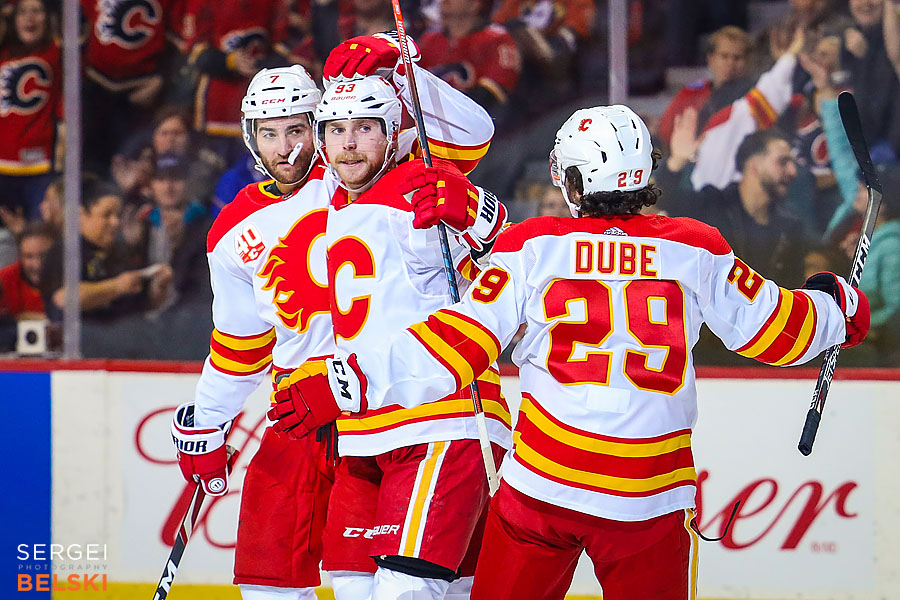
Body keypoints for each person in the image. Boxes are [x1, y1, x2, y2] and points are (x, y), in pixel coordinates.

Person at [271, 105, 871, 600]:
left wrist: (346, 380)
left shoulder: (532, 246)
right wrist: (837, 310)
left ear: (574, 180)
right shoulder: (696, 247)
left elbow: (454, 343)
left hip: (543, 493)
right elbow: (775, 334)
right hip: (650, 497)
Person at [269, 66, 511, 597]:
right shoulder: (335, 199)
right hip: (364, 428)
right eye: (335, 129)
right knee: (356, 587)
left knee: (407, 592)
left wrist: (479, 215)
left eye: (365, 128)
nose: (349, 144)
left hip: (438, 424)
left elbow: (513, 264)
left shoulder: (414, 191)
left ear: (395, 133)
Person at [659, 126, 806, 286]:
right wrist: (677, 161)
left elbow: (793, 290)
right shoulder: (712, 204)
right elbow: (664, 199)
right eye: (783, 161)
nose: (793, 171)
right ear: (754, 164)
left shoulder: (791, 227)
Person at [38, 177, 172, 323]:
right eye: (106, 215)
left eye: (118, 215)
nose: (115, 222)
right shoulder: (65, 252)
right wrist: (116, 287)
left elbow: (144, 305)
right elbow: (63, 299)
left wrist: (160, 287)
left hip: (126, 337)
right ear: (81, 215)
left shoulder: (123, 252)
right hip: (83, 338)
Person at [0, 0, 62, 220]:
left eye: (36, 11)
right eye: (22, 12)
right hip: (2, 165)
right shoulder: (4, 53)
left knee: (41, 233)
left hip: (40, 167)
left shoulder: (56, 52)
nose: (29, 18)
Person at [657, 25, 752, 148]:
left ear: (748, 61)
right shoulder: (690, 93)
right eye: (724, 56)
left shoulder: (753, 97)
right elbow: (664, 133)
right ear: (711, 59)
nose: (730, 63)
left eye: (737, 58)